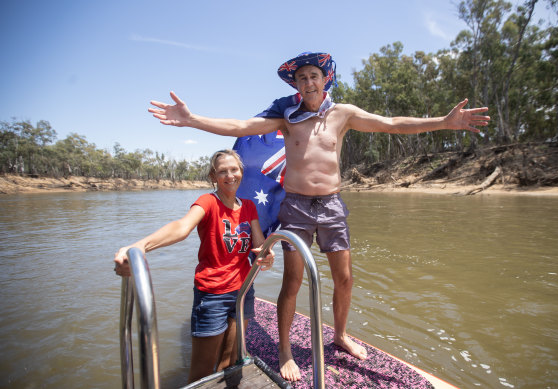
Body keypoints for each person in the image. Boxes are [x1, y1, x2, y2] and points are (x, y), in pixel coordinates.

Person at [148, 51, 491, 382]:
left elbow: (392, 124)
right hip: (295, 207)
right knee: (293, 282)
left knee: (345, 279)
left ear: (325, 79)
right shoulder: (286, 114)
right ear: (295, 85)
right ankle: (285, 350)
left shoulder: (342, 113)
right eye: (301, 78)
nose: (308, 82)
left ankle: (340, 335)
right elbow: (241, 125)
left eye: (314, 75)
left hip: (331, 206)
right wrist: (192, 119)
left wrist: (443, 123)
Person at [114, 149, 274, 383]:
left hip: (243, 291)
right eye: (222, 171)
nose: (230, 175)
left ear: (241, 172)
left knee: (229, 362)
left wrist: (267, 255)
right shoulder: (208, 202)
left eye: (234, 169)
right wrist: (140, 246)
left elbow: (259, 245)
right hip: (212, 295)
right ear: (213, 176)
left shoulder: (249, 206)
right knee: (201, 373)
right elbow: (182, 227)